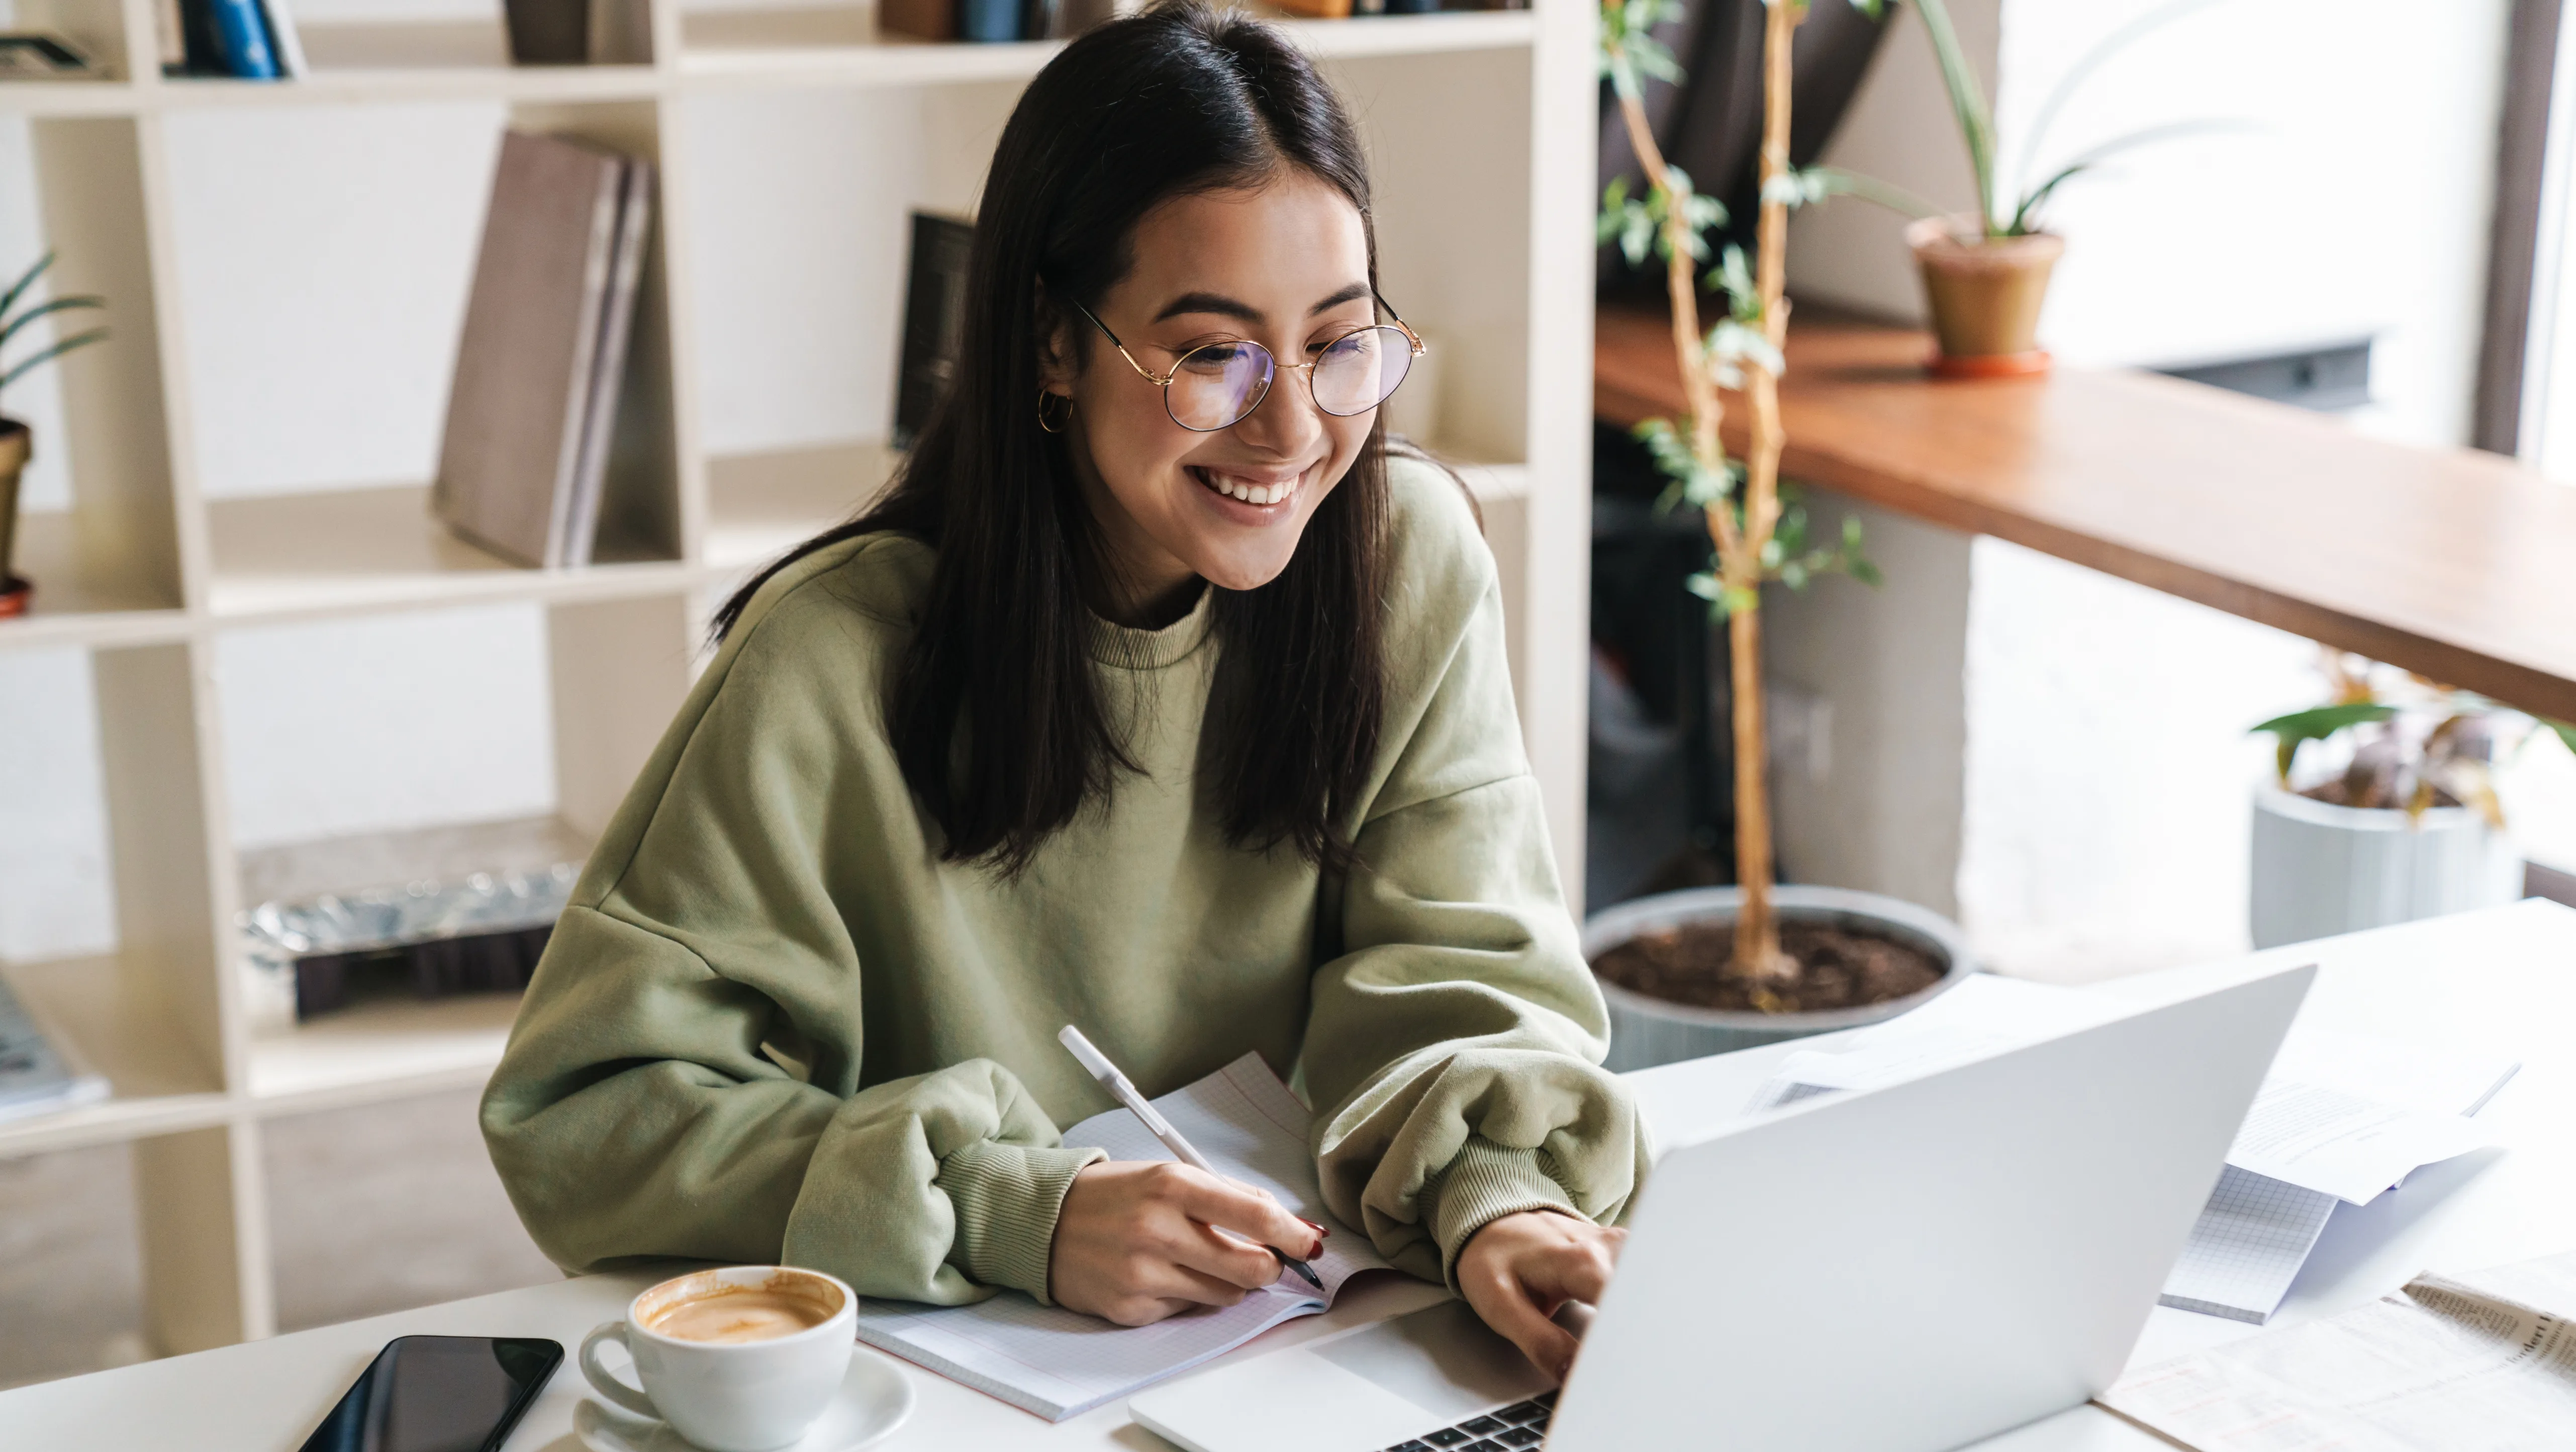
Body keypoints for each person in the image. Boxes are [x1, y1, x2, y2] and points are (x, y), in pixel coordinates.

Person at [480, 1, 1646, 1381]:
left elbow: (1461, 976)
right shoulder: (831, 658)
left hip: (1324, 1353)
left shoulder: (1407, 561)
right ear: (1051, 342)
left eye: (1339, 342)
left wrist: (1497, 1196)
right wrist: (1013, 1207)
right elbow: (586, 1116)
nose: (1293, 429)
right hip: (969, 1385)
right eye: (1213, 354)